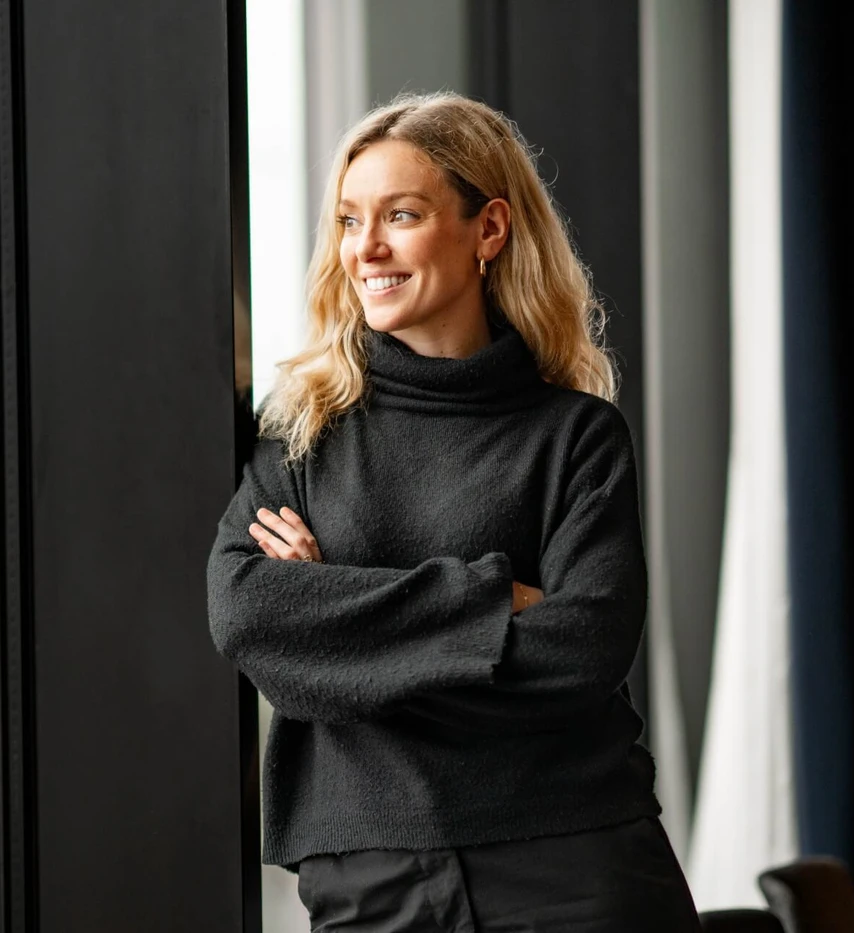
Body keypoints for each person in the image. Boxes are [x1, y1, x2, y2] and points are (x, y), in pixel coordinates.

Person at [206, 92, 701, 931]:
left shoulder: (577, 436)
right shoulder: (302, 431)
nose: (365, 247)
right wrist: (496, 599)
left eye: (400, 215)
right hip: (372, 877)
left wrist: (342, 625)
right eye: (349, 220)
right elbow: (250, 615)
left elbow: (585, 650)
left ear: (489, 229)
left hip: (577, 863)